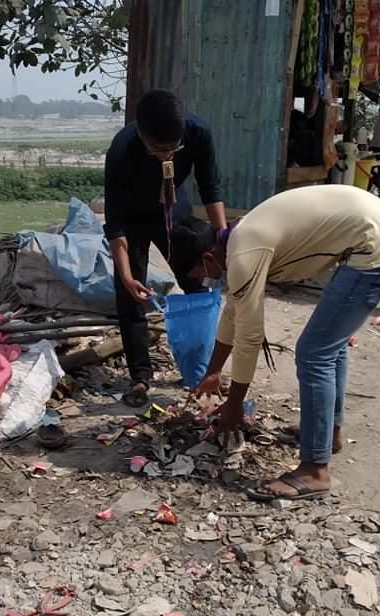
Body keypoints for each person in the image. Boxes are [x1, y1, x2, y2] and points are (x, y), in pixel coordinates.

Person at [192, 185, 380, 500]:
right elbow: (234, 310)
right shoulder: (239, 237)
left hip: (378, 246)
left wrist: (234, 406)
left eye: (199, 274)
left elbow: (250, 337)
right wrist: (214, 371)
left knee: (315, 353)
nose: (204, 280)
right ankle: (328, 434)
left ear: (208, 257)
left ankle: (314, 471)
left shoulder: (243, 254)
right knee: (329, 346)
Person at [104, 89, 228, 407]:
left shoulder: (198, 133)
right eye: (158, 150)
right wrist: (127, 275)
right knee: (130, 296)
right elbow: (115, 224)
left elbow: (210, 187)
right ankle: (140, 377)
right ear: (141, 134)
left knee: (195, 285)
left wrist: (222, 238)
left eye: (174, 149)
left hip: (174, 213)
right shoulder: (122, 150)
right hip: (132, 218)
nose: (166, 157)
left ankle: (200, 370)